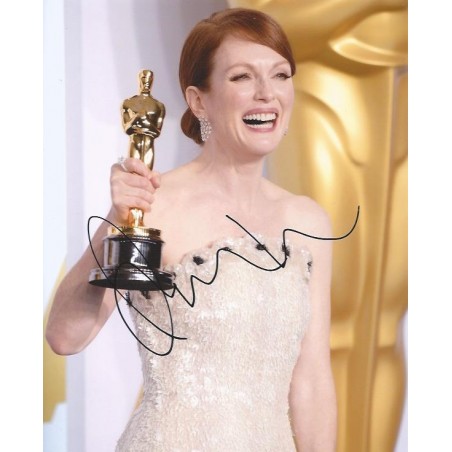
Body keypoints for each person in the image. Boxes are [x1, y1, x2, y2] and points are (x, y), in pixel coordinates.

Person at [46, 8, 337, 451]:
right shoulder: (154, 205)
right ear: (199, 101)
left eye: (280, 75)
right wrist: (116, 220)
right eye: (242, 77)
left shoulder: (307, 222)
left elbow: (312, 380)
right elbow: (65, 337)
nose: (267, 93)